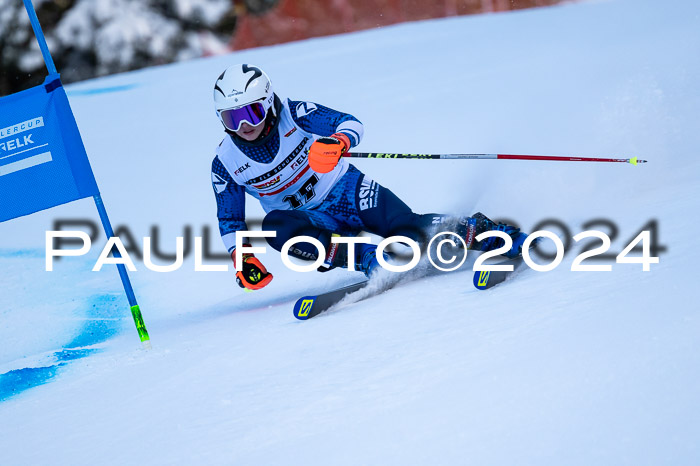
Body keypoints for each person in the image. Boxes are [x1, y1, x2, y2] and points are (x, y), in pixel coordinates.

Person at [211, 64, 527, 291]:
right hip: (311, 220)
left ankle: (486, 233)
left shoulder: (295, 114)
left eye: (250, 113)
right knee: (276, 227)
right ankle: (368, 259)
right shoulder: (226, 162)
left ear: (268, 104)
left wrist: (338, 142)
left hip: (348, 190)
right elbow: (230, 219)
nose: (243, 127)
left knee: (406, 228)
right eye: (231, 118)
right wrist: (243, 257)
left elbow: (349, 123)